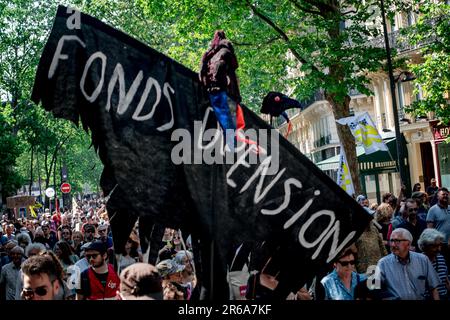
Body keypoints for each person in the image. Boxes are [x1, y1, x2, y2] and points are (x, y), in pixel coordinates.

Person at [199, 30, 241, 149]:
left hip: (207, 92)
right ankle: (231, 151)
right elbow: (232, 70)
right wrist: (235, 95)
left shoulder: (208, 55)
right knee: (227, 123)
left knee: (211, 124)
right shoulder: (226, 52)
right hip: (221, 91)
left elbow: (201, 72)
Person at [376, 228, 440, 300]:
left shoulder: (423, 260)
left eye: (397, 241)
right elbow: (373, 291)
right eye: (391, 241)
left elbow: (434, 288)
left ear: (408, 244)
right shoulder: (383, 263)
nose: (393, 245)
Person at [418, 228, 450, 300]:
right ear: (424, 246)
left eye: (440, 245)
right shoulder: (418, 261)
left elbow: (446, 281)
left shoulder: (441, 258)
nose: (439, 249)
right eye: (434, 246)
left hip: (444, 296)